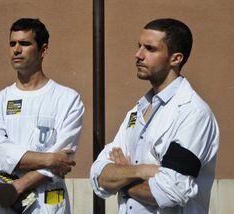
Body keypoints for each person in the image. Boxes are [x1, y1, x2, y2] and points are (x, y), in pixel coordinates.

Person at [90, 18, 219, 213]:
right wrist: (140, 171)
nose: (138, 55)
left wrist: (120, 181)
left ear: (176, 59)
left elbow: (170, 192)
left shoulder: (193, 113)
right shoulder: (137, 111)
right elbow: (97, 175)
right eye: (139, 46)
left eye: (150, 49)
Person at [0, 18, 84, 214]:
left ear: (43, 50)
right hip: (2, 202)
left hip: (47, 204)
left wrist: (18, 187)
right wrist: (49, 160)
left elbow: (64, 156)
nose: (16, 49)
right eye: (12, 43)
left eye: (25, 43)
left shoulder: (68, 99)